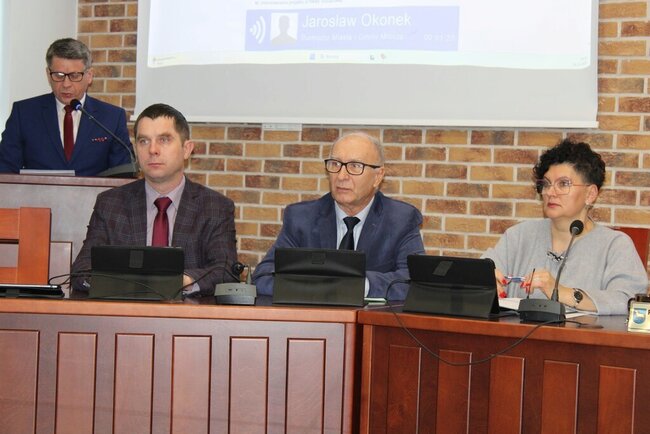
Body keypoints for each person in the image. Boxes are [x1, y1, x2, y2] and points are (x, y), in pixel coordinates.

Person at [71, 103, 238, 295]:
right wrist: (128, 283)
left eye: (164, 140)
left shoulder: (215, 207)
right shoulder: (110, 204)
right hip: (125, 311)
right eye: (144, 141)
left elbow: (226, 271)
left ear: (186, 149)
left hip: (188, 311)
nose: (153, 150)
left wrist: (179, 282)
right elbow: (81, 271)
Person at [482, 139, 648, 315]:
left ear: (590, 194)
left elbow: (629, 301)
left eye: (563, 184)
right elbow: (479, 273)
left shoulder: (615, 245)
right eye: (546, 184)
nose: (550, 192)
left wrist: (560, 291)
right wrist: (486, 283)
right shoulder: (519, 236)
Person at [252, 131, 425, 300]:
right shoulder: (301, 218)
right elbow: (262, 277)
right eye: (335, 164)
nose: (341, 176)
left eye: (355, 166)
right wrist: (323, 287)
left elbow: (415, 282)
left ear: (378, 176)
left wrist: (358, 285)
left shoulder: (401, 220)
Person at [0, 38, 132, 176]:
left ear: (89, 76)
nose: (66, 84)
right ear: (48, 75)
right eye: (59, 75)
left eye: (75, 76)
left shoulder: (112, 117)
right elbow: (5, 169)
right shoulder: (24, 113)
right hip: (38, 191)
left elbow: (122, 173)